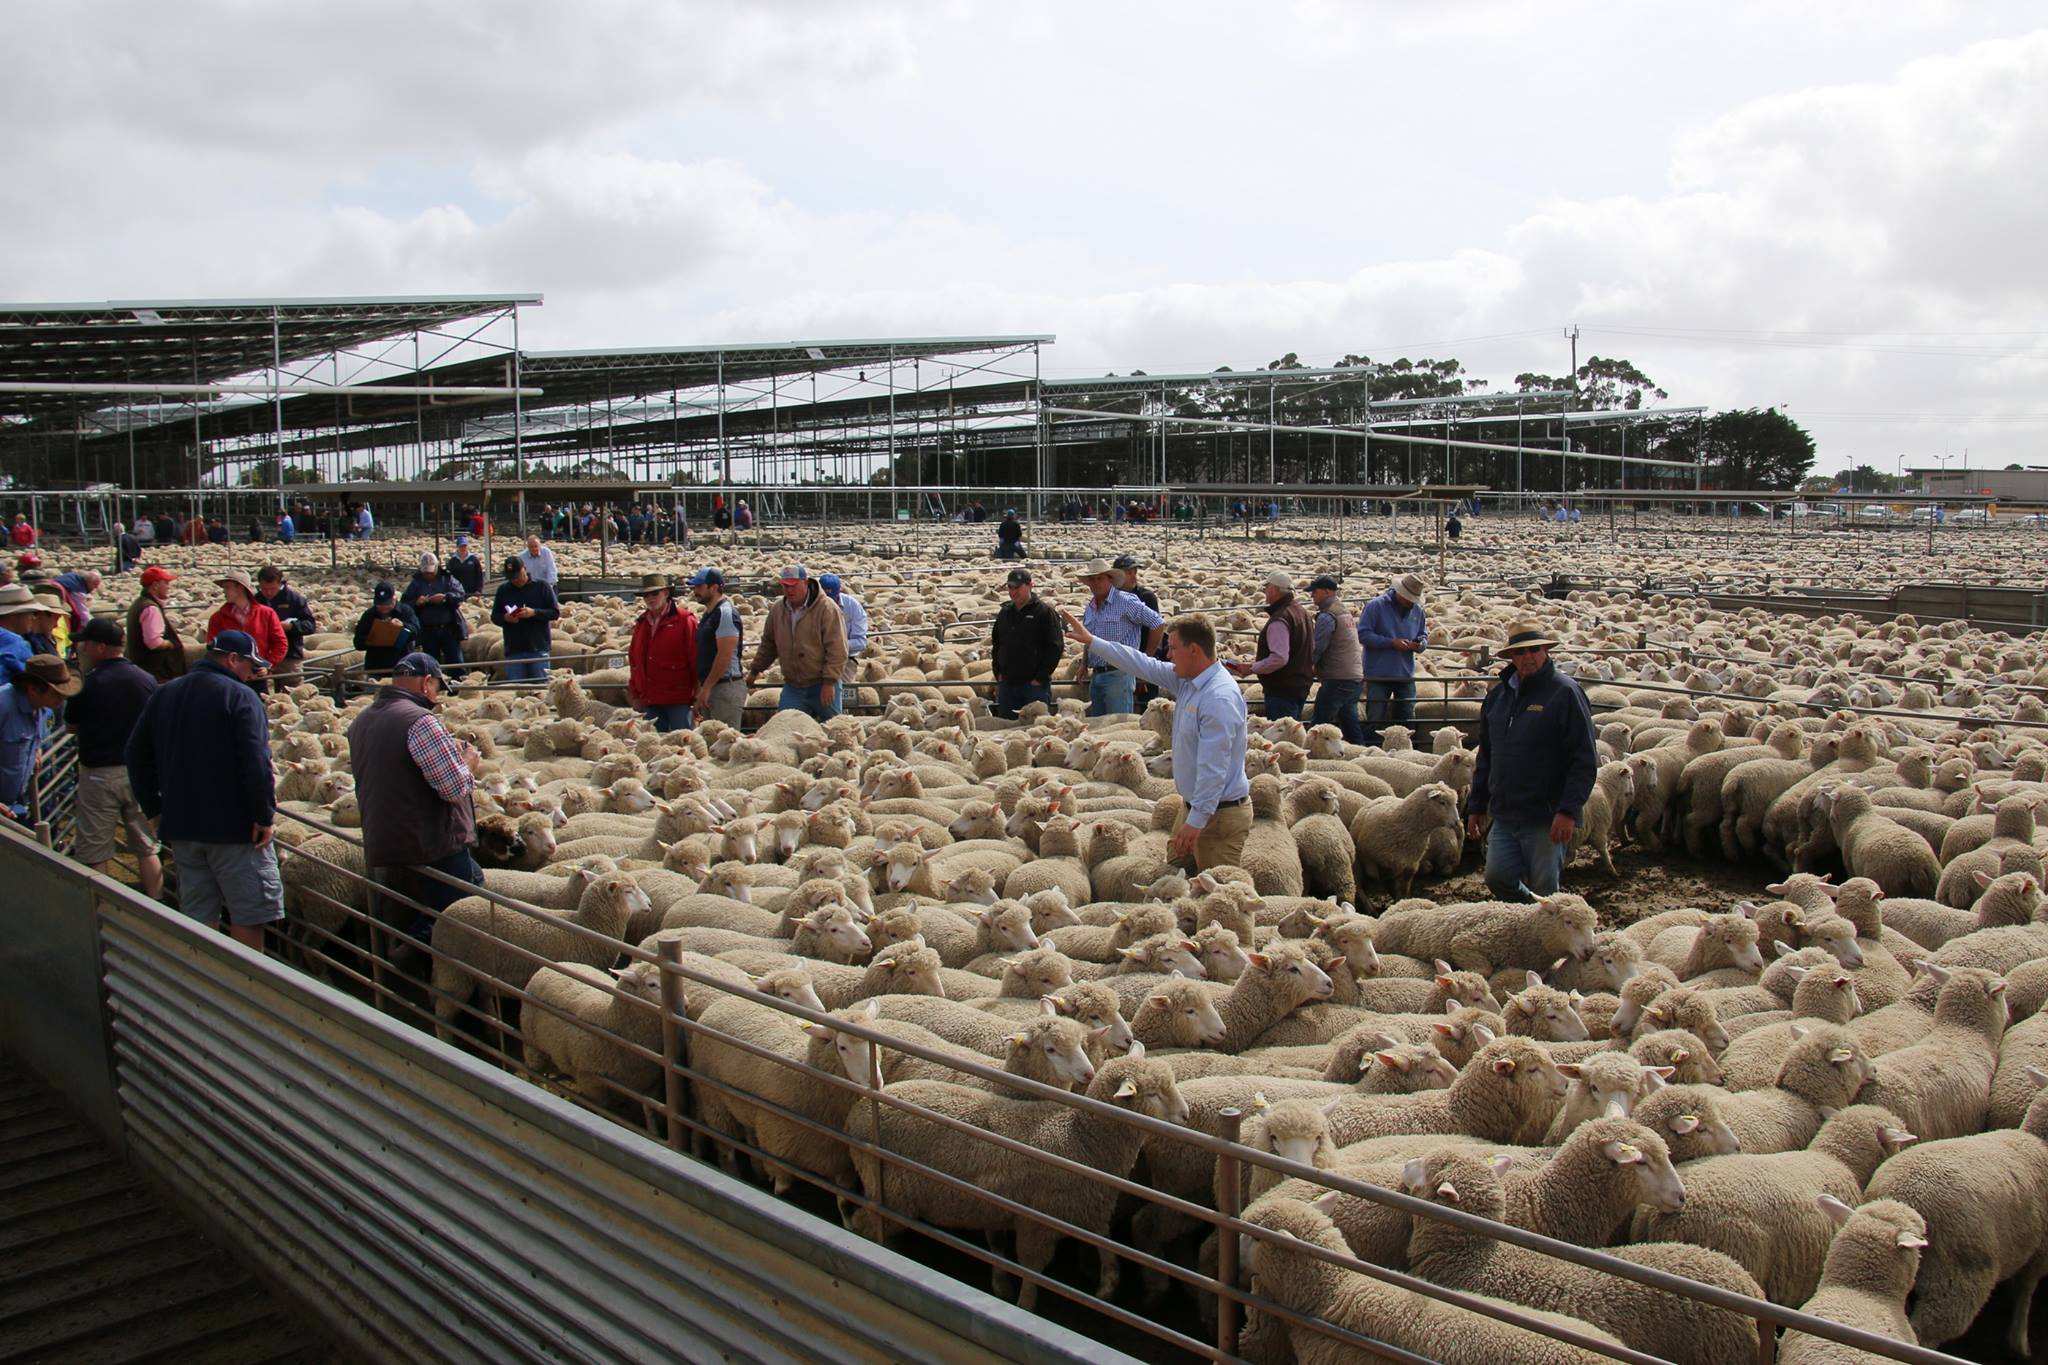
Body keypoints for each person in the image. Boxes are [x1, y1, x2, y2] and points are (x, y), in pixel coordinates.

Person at [1061, 610, 1251, 870]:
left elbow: (1214, 767)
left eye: (1173, 648)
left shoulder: (1218, 698)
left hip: (1218, 815)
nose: (1169, 655)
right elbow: (1141, 663)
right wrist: (1093, 641)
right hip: (1198, 807)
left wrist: (1196, 821)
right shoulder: (1188, 680)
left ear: (1194, 650)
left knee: (1216, 895)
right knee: (1173, 875)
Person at [126, 632, 282, 949]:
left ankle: (204, 988)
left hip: (183, 827)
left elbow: (134, 753)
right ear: (232, 659)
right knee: (248, 914)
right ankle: (246, 989)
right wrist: (263, 815)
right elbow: (256, 760)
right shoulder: (240, 696)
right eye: (250, 667)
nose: (252, 675)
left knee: (198, 915)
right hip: (235, 829)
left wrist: (154, 809)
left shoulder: (164, 693)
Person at [346, 653, 484, 942]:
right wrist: (467, 764)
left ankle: (402, 959)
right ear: (425, 683)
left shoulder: (363, 719)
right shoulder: (420, 721)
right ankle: (418, 959)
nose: (437, 696)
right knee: (455, 917)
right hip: (429, 843)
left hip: (385, 837)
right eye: (436, 687)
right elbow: (453, 787)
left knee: (414, 906)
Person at [1468, 621, 1599, 901]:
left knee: (1545, 886)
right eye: (1520, 652)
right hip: (1505, 810)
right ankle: (1535, 920)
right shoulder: (1498, 697)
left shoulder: (1565, 692)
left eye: (1535, 650)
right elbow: (1486, 754)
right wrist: (1477, 804)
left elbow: (1584, 758)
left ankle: (1544, 932)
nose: (1528, 657)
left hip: (1546, 814)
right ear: (1511, 657)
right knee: (1497, 877)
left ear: (1546, 651)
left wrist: (1568, 810)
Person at [66, 619, 163, 898]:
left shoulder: (88, 681)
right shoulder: (146, 680)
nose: (81, 647)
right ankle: (157, 903)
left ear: (100, 647)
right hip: (139, 773)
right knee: (147, 845)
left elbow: (71, 724)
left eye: (85, 643)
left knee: (96, 848)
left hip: (99, 774)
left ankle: (105, 909)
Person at [745, 564, 846, 721]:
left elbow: (837, 647)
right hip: (794, 686)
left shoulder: (826, 608)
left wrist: (829, 681)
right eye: (785, 586)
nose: (789, 590)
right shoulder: (778, 610)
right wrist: (755, 670)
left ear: (805, 583)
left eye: (793, 586)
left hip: (821, 684)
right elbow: (769, 643)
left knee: (834, 729)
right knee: (786, 727)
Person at [1075, 558, 1163, 717]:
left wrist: (1146, 659)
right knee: (1099, 729)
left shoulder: (1125, 601)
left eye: (1100, 578)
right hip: (1097, 674)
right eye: (1092, 579)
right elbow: (1089, 637)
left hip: (1119, 674)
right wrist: (1084, 663)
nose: (1096, 583)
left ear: (1110, 579)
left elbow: (1157, 623)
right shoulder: (1091, 607)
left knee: (1118, 727)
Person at [0, 655, 79, 825]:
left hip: (15, 803)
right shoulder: (3, 705)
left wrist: (35, 750)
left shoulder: (43, 709)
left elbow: (31, 739)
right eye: (56, 694)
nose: (61, 699)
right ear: (33, 689)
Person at [1227, 572, 1313, 721]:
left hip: (1282, 689)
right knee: (1291, 732)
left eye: (1267, 588)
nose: (1265, 592)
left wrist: (1252, 668)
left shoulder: (1280, 619)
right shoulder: (1302, 612)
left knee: (1282, 733)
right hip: (1300, 684)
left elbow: (1279, 658)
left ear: (1274, 589)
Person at [1358, 571, 1428, 743]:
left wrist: (1420, 644)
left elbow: (1423, 634)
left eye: (1414, 599)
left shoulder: (1417, 610)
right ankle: (1372, 751)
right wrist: (1391, 643)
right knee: (1376, 716)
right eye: (1408, 598)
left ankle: (1405, 752)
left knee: (1406, 716)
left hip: (1405, 673)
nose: (1411, 602)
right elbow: (1363, 634)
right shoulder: (1375, 606)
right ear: (1399, 592)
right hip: (1378, 672)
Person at [627, 574, 698, 732]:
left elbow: (695, 657)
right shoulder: (642, 623)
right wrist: (635, 694)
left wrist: (698, 691)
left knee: (683, 743)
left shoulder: (684, 620)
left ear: (666, 593)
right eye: (646, 595)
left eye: (655, 593)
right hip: (649, 699)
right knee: (652, 745)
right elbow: (634, 661)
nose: (650, 598)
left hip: (678, 698)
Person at [989, 568, 1062, 718]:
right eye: (1010, 587)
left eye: (1017, 587)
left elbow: (1055, 646)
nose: (1013, 591)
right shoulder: (1005, 612)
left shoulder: (1044, 612)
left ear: (1030, 585)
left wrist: (1040, 677)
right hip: (1008, 685)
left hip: (1033, 686)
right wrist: (998, 673)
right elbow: (997, 643)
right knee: (1007, 730)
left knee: (1036, 730)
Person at [1306, 575, 1365, 744]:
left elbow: (1317, 647)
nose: (1312, 596)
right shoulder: (1343, 611)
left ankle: (1312, 755)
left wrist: (1306, 665)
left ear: (1326, 591)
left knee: (1320, 723)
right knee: (1349, 721)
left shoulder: (1328, 615)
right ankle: (1360, 754)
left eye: (1314, 592)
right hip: (1352, 676)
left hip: (1337, 677)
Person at [686, 568, 746, 728]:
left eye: (699, 587)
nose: (695, 591)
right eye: (694, 587)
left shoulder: (725, 613)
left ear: (714, 588)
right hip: (713, 686)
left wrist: (707, 688)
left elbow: (724, 656)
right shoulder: (710, 614)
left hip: (725, 687)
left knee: (724, 740)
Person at [490, 555, 560, 683]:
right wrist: (506, 618)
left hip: (537, 648)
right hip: (514, 649)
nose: (515, 580)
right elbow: (495, 616)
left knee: (541, 689)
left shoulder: (542, 587)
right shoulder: (503, 590)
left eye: (517, 575)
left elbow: (555, 612)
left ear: (524, 568)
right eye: (511, 577)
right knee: (517, 691)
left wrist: (534, 612)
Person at [206, 572, 289, 675]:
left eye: (227, 587)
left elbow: (280, 643)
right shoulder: (217, 618)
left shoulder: (266, 614)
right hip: (229, 677)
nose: (224, 591)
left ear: (240, 588)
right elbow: (212, 646)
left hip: (257, 675)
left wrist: (268, 664)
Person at [253, 565, 317, 689]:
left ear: (280, 583)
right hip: (262, 657)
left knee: (292, 692)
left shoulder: (294, 599)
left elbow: (310, 625)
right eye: (264, 588)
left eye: (272, 588)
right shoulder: (256, 600)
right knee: (265, 694)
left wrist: (291, 626)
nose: (268, 593)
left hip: (289, 656)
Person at [404, 552, 468, 673]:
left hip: (449, 628)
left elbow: (460, 595)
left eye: (431, 572)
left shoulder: (448, 579)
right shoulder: (416, 583)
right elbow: (405, 604)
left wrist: (445, 597)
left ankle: (458, 687)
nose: (428, 575)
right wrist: (417, 602)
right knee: (431, 664)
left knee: (456, 663)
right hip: (428, 629)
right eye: (426, 572)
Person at [125, 566, 186, 682]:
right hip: (155, 671)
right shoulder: (151, 608)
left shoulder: (139, 603)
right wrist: (169, 643)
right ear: (155, 585)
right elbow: (153, 642)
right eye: (166, 583)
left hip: (141, 668)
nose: (169, 587)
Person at [353, 582, 420, 674]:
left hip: (401, 665)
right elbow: (358, 643)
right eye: (380, 605)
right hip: (376, 666)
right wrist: (373, 638)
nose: (384, 608)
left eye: (387, 604)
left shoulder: (405, 611)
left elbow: (416, 631)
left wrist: (403, 625)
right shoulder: (369, 615)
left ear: (394, 598)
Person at [817, 573, 866, 686]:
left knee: (842, 693)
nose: (829, 603)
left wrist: (835, 646)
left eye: (832, 598)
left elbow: (860, 642)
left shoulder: (853, 606)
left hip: (845, 660)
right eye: (825, 598)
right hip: (815, 660)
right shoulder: (809, 606)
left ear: (839, 591)